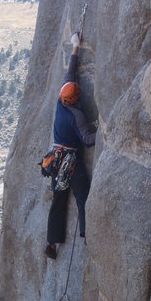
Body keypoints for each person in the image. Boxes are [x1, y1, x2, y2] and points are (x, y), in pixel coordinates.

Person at [45, 32, 96, 260]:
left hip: (56, 159)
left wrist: (75, 47)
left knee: (58, 198)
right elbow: (86, 139)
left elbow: (70, 74)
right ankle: (86, 234)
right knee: (83, 193)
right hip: (71, 162)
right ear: (76, 98)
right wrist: (103, 131)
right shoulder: (76, 115)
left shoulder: (60, 102)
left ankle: (51, 242)